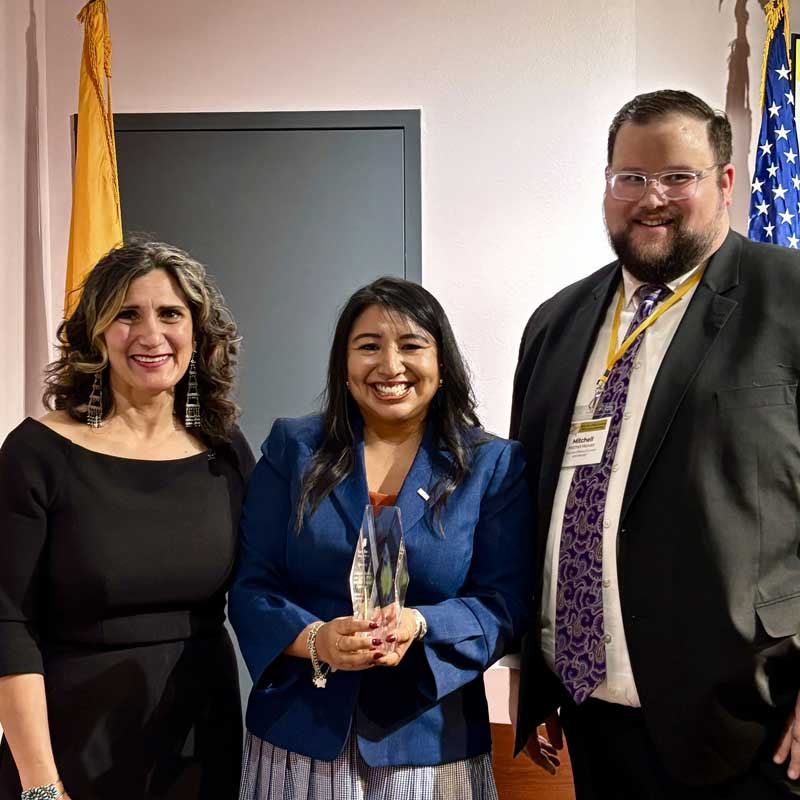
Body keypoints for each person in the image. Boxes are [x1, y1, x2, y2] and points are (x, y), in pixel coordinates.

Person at [510, 88, 800, 798]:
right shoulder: (556, 322)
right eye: (630, 178)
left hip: (748, 719)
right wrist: (537, 675)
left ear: (726, 183)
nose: (652, 198)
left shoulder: (789, 296)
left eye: (678, 176)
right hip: (590, 710)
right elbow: (530, 502)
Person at [230, 277, 532, 800]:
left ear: (442, 364)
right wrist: (316, 640)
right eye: (369, 346)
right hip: (299, 736)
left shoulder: (491, 464)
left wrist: (421, 623)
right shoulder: (293, 448)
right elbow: (252, 586)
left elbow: (503, 603)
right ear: (344, 366)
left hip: (432, 741)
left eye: (412, 345)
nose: (390, 366)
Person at [0, 240, 255, 799]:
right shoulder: (36, 452)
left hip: (200, 744)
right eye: (126, 314)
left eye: (170, 314)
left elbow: (263, 587)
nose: (150, 335)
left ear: (197, 331)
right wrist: (40, 785)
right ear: (96, 330)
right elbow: (8, 624)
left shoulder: (227, 450)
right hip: (68, 751)